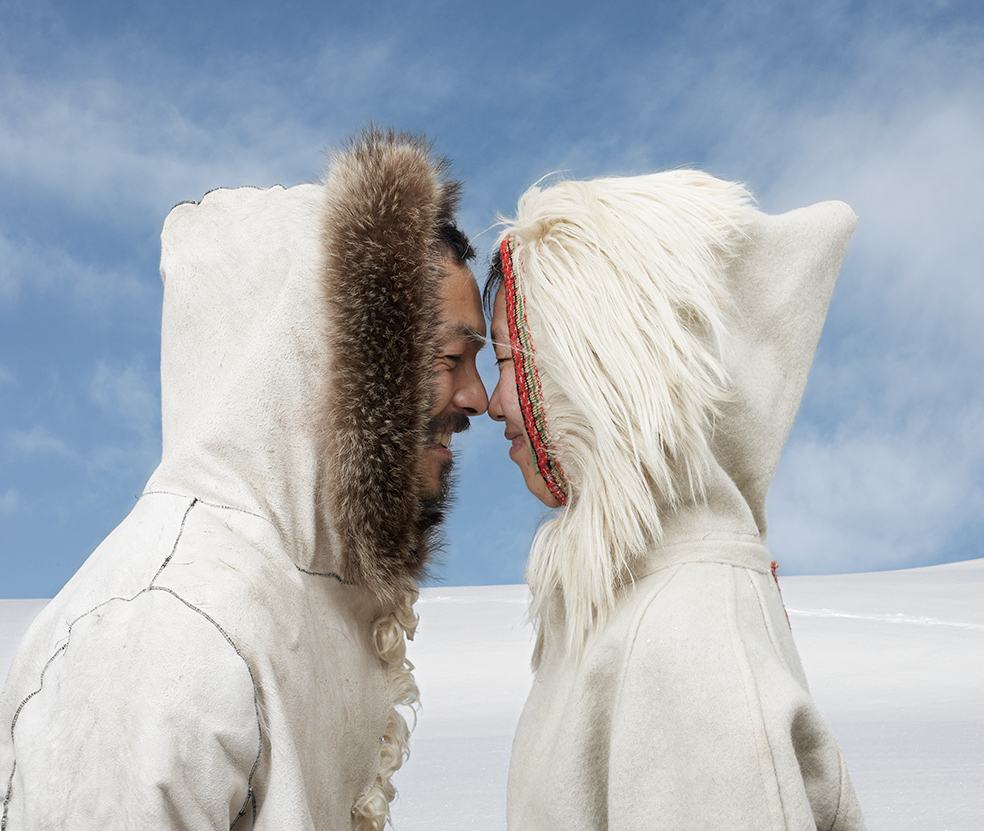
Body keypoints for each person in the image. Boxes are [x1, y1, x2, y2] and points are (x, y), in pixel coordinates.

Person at [0, 127, 488, 830]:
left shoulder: (302, 598)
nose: (475, 396)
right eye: (449, 356)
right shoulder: (165, 627)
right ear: (333, 360)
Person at [486, 170, 866, 830]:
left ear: (598, 368)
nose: (493, 403)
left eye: (512, 362)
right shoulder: (635, 608)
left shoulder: (686, 628)